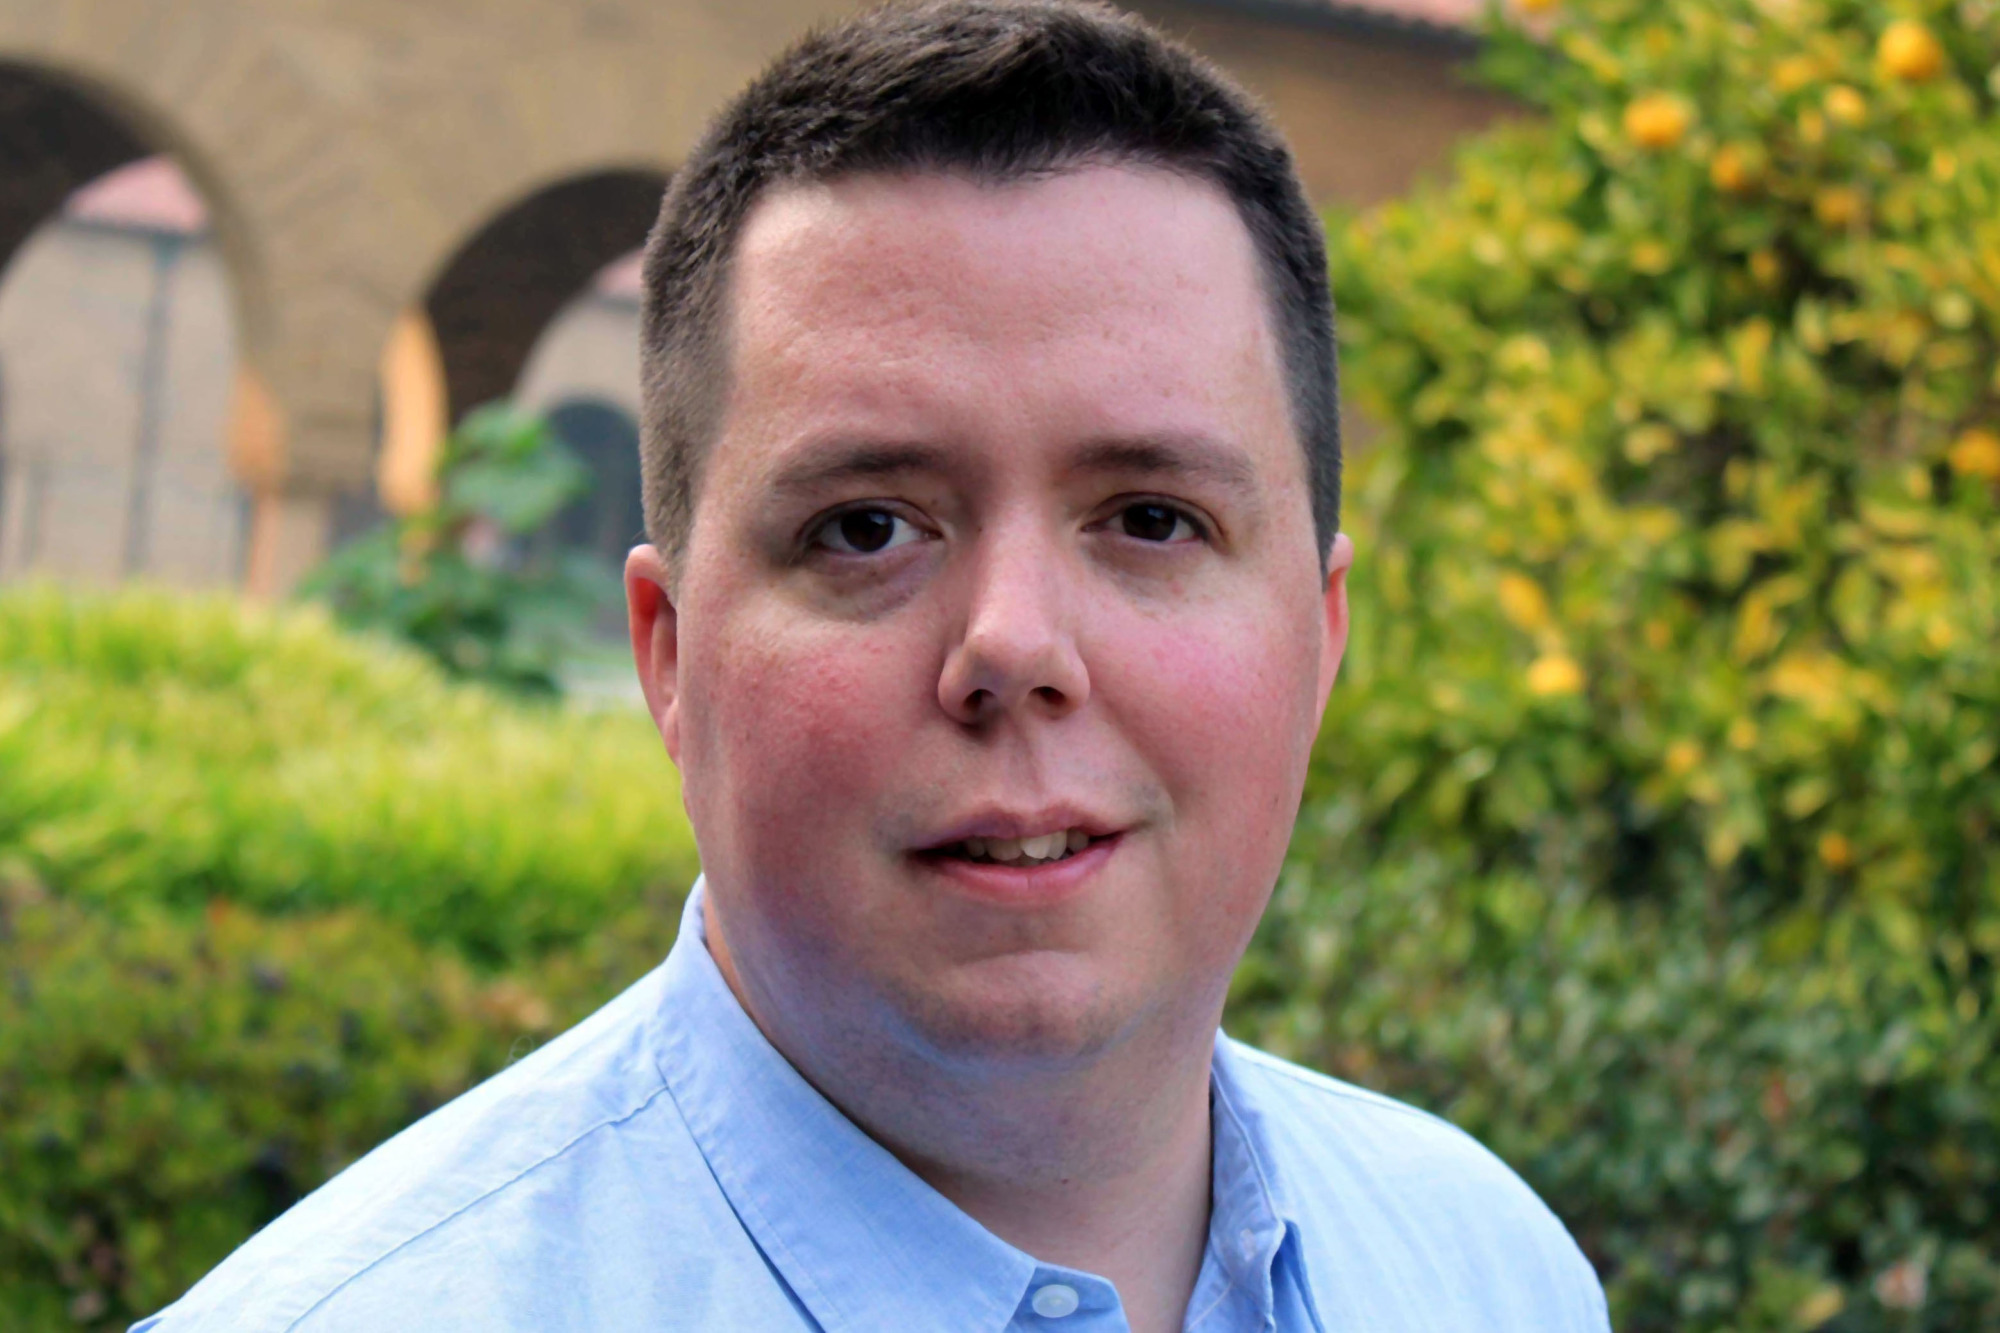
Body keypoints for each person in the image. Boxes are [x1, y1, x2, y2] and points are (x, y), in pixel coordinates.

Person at [137, 2, 1610, 1329]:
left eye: (1152, 519)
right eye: (866, 529)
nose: (1014, 644)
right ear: (669, 655)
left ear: (1321, 637)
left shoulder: (1490, 1273)